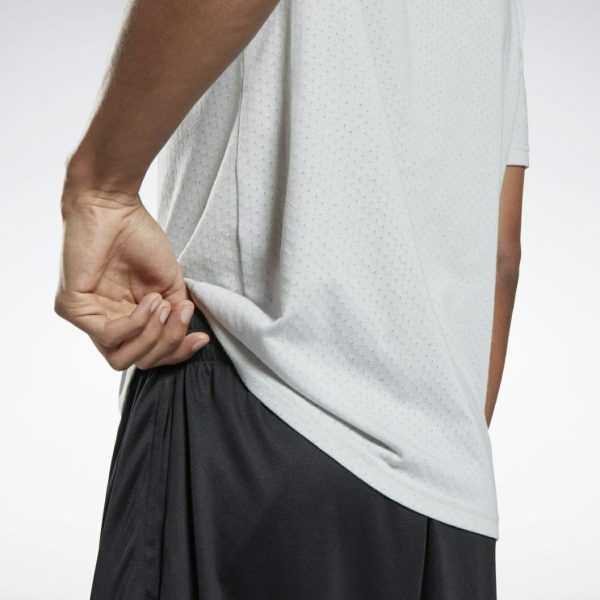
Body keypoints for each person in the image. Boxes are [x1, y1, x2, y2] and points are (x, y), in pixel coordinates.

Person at [55, 0, 529, 598]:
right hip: (448, 496)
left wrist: (99, 188)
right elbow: (500, 257)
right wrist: (430, 449)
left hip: (258, 405)